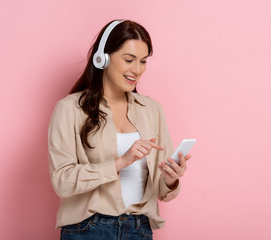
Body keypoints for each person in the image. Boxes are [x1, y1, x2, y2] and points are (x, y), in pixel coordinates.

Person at [48, 19, 191, 240]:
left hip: (139, 229)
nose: (137, 69)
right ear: (102, 58)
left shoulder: (152, 110)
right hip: (89, 229)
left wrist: (171, 179)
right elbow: (62, 180)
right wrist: (121, 162)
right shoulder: (70, 109)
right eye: (129, 59)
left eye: (143, 61)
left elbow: (163, 191)